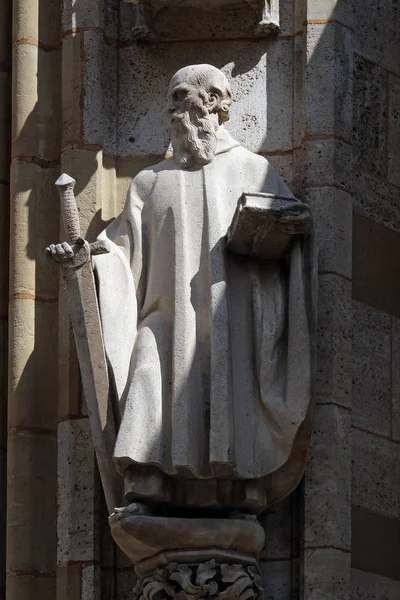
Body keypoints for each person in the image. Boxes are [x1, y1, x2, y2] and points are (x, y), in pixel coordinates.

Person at [52, 64, 316, 516]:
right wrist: (87, 258)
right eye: (170, 101)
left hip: (231, 316)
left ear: (212, 102)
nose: (173, 111)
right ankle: (148, 476)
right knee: (150, 369)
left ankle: (236, 488)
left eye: (180, 98)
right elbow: (120, 252)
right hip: (164, 319)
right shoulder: (149, 182)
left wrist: (285, 228)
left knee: (230, 386)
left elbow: (295, 237)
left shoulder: (255, 172)